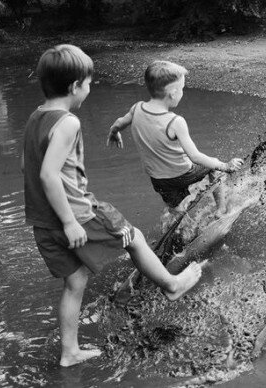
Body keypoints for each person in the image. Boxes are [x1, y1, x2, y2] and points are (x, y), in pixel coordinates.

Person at [22, 45, 204, 367]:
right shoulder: (68, 123)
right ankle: (171, 285)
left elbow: (29, 168)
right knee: (132, 237)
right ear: (75, 86)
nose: (89, 89)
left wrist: (55, 218)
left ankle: (69, 353)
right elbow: (49, 174)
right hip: (77, 213)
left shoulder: (36, 118)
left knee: (75, 281)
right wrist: (69, 221)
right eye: (89, 83)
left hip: (41, 221)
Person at [106, 60, 243, 225]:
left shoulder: (137, 109)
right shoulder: (175, 122)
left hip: (158, 180)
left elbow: (119, 122)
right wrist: (225, 166)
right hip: (182, 174)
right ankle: (221, 210)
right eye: (182, 89)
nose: (182, 93)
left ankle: (181, 232)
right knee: (214, 168)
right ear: (172, 93)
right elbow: (195, 157)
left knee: (177, 211)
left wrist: (114, 132)